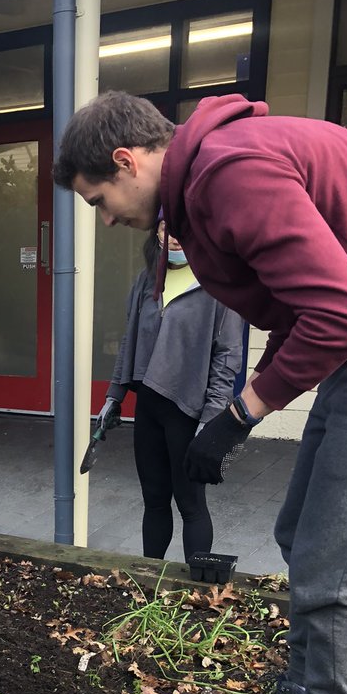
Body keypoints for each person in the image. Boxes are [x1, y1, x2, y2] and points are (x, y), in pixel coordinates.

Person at [54, 89, 347, 694]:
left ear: (126, 160)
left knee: (333, 553)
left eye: (98, 199)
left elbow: (340, 313)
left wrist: (240, 413)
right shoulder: (207, 180)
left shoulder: (232, 172)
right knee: (301, 531)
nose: (107, 219)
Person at [98, 221, 241, 561]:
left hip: (188, 410)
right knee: (154, 500)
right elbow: (128, 341)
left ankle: (200, 592)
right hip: (148, 406)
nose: (174, 234)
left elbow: (228, 356)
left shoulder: (219, 286)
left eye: (183, 226)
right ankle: (151, 587)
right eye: (166, 226)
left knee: (191, 504)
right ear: (157, 232)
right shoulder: (146, 280)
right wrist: (113, 395)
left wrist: (211, 420)